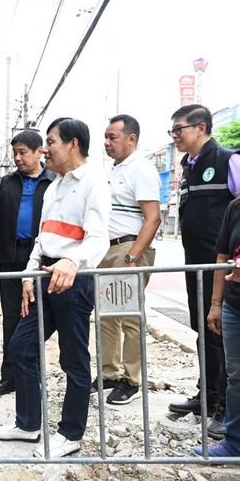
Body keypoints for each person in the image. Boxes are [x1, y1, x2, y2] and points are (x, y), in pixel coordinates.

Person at [0, 117, 110, 458]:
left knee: (74, 360)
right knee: (20, 347)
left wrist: (73, 262)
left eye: (52, 141)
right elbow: (42, 240)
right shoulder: (55, 186)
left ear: (72, 145)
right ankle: (28, 425)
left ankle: (70, 434)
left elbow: (99, 239)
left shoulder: (93, 182)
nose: (46, 149)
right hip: (45, 278)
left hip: (75, 283)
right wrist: (29, 275)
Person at [168, 104, 240, 440]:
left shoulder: (227, 160)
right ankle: (208, 396)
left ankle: (226, 408)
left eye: (178, 130)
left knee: (222, 333)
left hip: (223, 268)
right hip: (196, 265)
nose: (175, 137)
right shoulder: (188, 167)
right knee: (202, 327)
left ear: (200, 127)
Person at [95, 114, 161, 405]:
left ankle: (131, 380)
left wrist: (133, 257)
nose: (107, 142)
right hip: (106, 250)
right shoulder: (111, 169)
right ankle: (109, 373)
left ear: (131, 139)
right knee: (106, 316)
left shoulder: (142, 169)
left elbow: (153, 218)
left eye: (113, 137)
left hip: (129, 247)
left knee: (129, 316)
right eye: (106, 137)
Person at [0, 130, 55, 395]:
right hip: (12, 257)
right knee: (11, 318)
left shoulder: (53, 181)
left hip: (42, 259)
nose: (17, 158)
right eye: (15, 153)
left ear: (40, 152)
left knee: (37, 319)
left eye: (23, 152)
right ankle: (10, 377)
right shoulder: (8, 183)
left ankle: (33, 376)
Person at [196, 197, 240, 458]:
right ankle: (234, 442)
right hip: (234, 304)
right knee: (236, 377)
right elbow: (222, 257)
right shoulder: (235, 207)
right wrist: (215, 303)